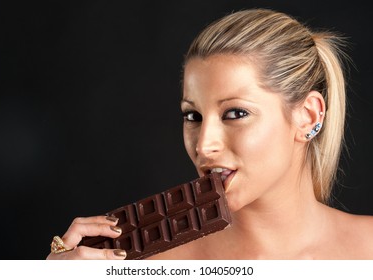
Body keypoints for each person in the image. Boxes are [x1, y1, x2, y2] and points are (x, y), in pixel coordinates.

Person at [47, 8, 373, 260]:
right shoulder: (143, 263)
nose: (204, 145)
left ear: (308, 116)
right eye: (193, 116)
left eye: (235, 113)